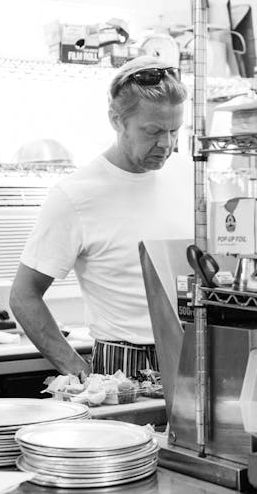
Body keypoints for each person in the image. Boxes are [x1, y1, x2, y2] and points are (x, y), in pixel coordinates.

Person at [11, 56, 187, 381]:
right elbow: (24, 295)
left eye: (175, 131)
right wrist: (76, 369)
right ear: (116, 120)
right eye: (152, 131)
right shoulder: (75, 195)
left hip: (193, 354)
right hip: (124, 364)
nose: (166, 144)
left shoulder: (191, 176)